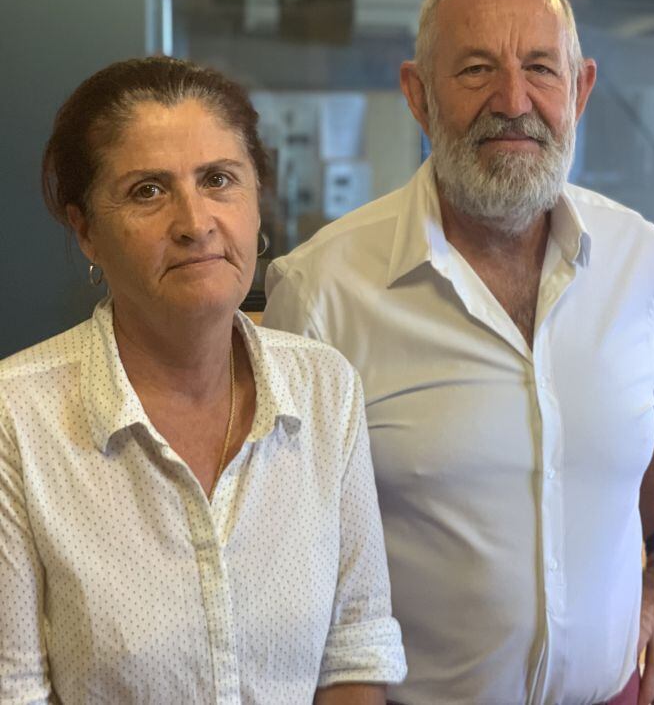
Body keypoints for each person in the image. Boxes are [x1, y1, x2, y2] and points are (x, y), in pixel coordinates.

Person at [263, 0, 654, 705]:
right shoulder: (321, 291)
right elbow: (286, 556)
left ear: (581, 89)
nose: (513, 100)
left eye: (541, 68)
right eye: (475, 70)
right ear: (418, 94)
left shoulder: (639, 257)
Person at [0, 57, 406, 704]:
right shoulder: (17, 417)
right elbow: (13, 688)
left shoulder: (324, 388)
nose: (194, 222)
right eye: (147, 191)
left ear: (256, 200)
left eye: (218, 180)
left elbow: (355, 646)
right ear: (86, 231)